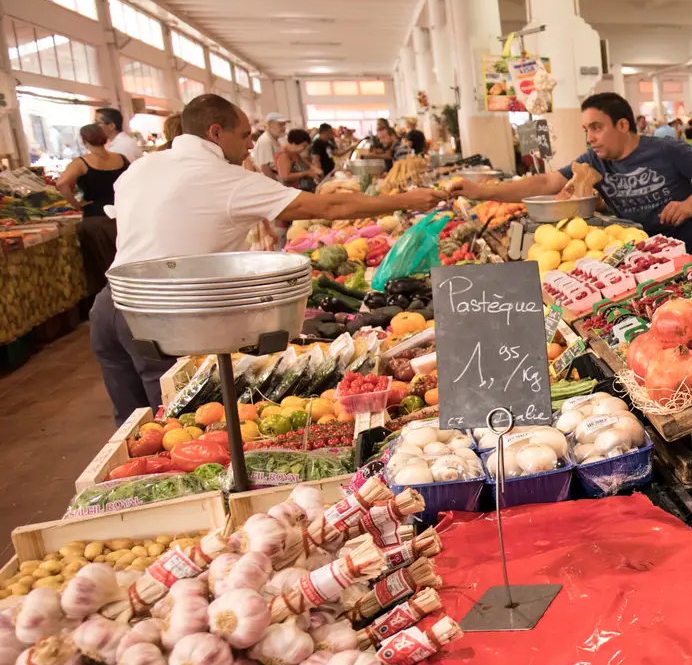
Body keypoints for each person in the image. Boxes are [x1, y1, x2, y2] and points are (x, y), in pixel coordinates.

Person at [94, 95, 444, 422]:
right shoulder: (226, 179)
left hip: (109, 305)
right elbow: (331, 205)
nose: (251, 144)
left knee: (131, 424)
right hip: (162, 316)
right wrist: (408, 200)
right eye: (245, 135)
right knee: (172, 419)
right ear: (216, 132)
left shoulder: (141, 168)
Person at [449, 92, 692, 255]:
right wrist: (481, 192)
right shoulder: (593, 161)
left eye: (596, 127)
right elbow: (547, 181)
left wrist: (689, 204)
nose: (590, 137)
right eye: (586, 130)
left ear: (621, 125)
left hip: (691, 252)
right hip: (641, 257)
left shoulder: (667, 149)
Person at [57, 124, 127, 298]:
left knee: (101, 267)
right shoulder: (121, 159)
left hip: (95, 218)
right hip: (123, 216)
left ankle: (107, 303)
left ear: (83, 140)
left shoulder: (81, 162)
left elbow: (61, 183)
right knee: (123, 262)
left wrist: (76, 204)